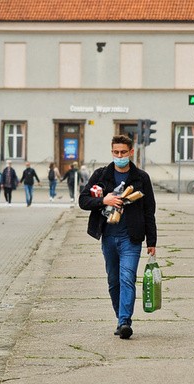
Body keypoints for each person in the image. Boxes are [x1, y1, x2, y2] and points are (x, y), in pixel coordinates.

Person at [79, 134, 157, 339]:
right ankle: (119, 317)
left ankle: (125, 322)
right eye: (116, 152)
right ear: (112, 152)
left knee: (127, 278)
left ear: (131, 152)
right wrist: (105, 200)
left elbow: (149, 210)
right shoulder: (101, 175)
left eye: (123, 152)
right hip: (108, 237)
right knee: (114, 281)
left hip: (131, 238)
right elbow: (83, 201)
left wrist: (152, 241)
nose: (120, 155)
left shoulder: (141, 178)